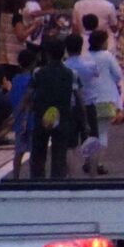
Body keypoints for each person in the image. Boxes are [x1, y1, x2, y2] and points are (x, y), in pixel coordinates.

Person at [68, 31, 123, 177]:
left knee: (86, 134)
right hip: (105, 98)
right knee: (102, 133)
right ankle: (97, 162)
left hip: (84, 100)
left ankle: (87, 160)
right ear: (102, 42)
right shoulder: (107, 56)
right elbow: (118, 75)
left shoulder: (84, 58)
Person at [24, 40, 78, 179]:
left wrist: (23, 115)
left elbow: (29, 95)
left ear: (47, 54)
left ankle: (37, 183)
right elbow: (79, 97)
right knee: (59, 153)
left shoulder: (38, 72)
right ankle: (57, 183)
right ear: (63, 54)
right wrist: (84, 121)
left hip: (42, 116)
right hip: (63, 116)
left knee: (38, 153)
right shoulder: (71, 73)